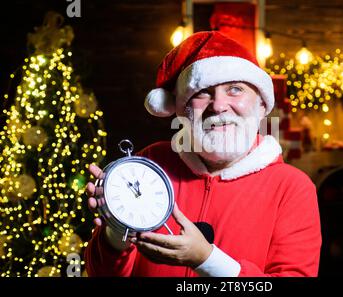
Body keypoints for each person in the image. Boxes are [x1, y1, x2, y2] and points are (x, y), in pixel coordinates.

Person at [84, 31, 321, 277]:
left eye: (235, 89)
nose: (218, 105)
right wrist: (117, 231)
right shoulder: (151, 164)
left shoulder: (292, 187)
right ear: (182, 109)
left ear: (262, 105)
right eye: (203, 92)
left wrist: (207, 260)